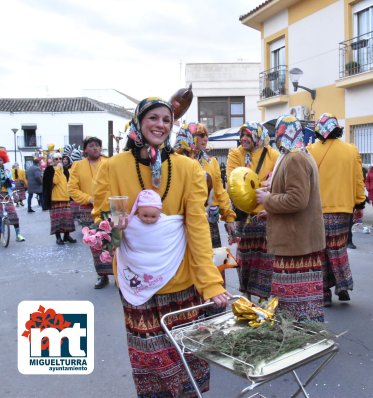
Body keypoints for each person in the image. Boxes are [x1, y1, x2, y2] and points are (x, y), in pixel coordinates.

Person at [92, 97, 231, 397]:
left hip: (180, 282)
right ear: (139, 123)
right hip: (135, 282)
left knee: (185, 357)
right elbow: (104, 223)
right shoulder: (113, 167)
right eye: (153, 118)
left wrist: (210, 283)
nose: (160, 125)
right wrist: (115, 227)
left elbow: (197, 228)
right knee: (150, 361)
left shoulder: (188, 168)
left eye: (166, 120)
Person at [256, 115, 326, 322]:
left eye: (276, 132)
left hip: (297, 243)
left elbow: (297, 199)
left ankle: (302, 338)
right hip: (297, 240)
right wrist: (271, 210)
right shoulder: (296, 154)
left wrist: (268, 199)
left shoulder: (295, 157)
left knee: (296, 305)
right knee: (297, 303)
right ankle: (304, 335)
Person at [308, 113, 366, 307]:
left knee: (321, 251)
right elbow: (359, 180)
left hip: (316, 210)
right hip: (343, 209)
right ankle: (342, 286)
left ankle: (324, 292)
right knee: (338, 248)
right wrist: (359, 204)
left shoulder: (309, 151)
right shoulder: (351, 150)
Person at [227, 121, 279, 301]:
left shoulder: (272, 154)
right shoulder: (235, 154)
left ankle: (264, 296)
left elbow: (277, 180)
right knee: (245, 257)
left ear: (257, 137)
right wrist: (264, 183)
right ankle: (246, 294)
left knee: (266, 257)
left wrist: (260, 185)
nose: (244, 139)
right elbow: (233, 181)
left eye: (248, 135)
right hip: (244, 214)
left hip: (265, 213)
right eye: (242, 135)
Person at [174, 122, 235, 250]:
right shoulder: (174, 162)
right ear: (189, 136)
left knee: (212, 263)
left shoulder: (211, 162)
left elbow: (219, 191)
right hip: (182, 222)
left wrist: (229, 217)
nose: (206, 138)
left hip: (208, 222)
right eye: (201, 135)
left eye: (206, 135)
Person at [67, 137, 110, 288]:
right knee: (96, 244)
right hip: (88, 210)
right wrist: (88, 198)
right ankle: (102, 276)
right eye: (91, 146)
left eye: (97, 145)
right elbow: (71, 189)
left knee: (115, 241)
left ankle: (119, 275)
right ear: (85, 150)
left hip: (109, 208)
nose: (95, 148)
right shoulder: (78, 166)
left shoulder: (108, 162)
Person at [42, 152, 77, 245]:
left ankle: (66, 236)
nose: (59, 160)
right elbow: (55, 181)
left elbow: (69, 182)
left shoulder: (65, 170)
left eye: (60, 158)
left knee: (68, 219)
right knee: (56, 220)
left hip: (65, 198)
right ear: (52, 160)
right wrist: (57, 169)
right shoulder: (49, 169)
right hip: (55, 199)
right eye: (56, 159)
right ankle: (58, 238)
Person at [0, 150, 25, 241]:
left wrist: (15, 194)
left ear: (4, 161)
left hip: (7, 194)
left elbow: (12, 183)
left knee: (13, 214)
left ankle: (18, 234)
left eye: (1, 160)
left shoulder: (7, 171)